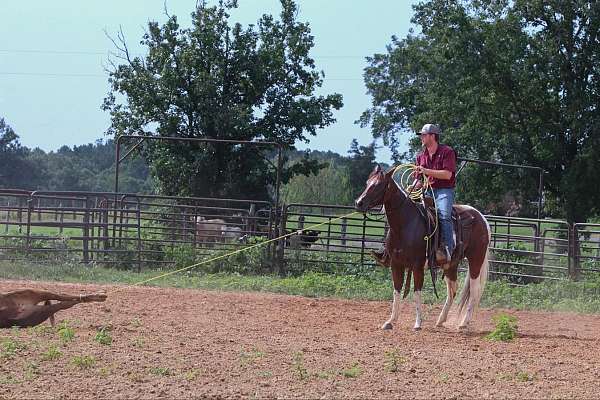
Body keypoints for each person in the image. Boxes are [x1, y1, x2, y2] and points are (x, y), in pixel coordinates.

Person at [414, 123, 457, 263]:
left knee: (444, 215)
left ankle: (447, 249)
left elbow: (447, 175)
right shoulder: (420, 156)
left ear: (433, 136)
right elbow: (418, 180)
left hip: (444, 191)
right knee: (410, 211)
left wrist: (426, 171)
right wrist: (412, 187)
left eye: (424, 135)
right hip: (427, 191)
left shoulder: (447, 152)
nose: (421, 137)